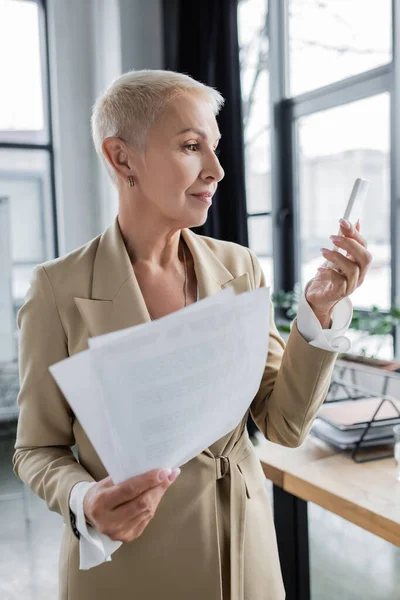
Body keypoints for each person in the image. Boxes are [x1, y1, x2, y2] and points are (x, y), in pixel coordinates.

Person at [13, 69, 372, 600]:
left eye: (216, 147)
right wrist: (84, 500)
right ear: (121, 158)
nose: (218, 170)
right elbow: (36, 449)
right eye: (190, 146)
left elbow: (282, 424)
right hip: (130, 571)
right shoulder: (57, 290)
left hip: (247, 559)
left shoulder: (240, 266)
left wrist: (318, 314)